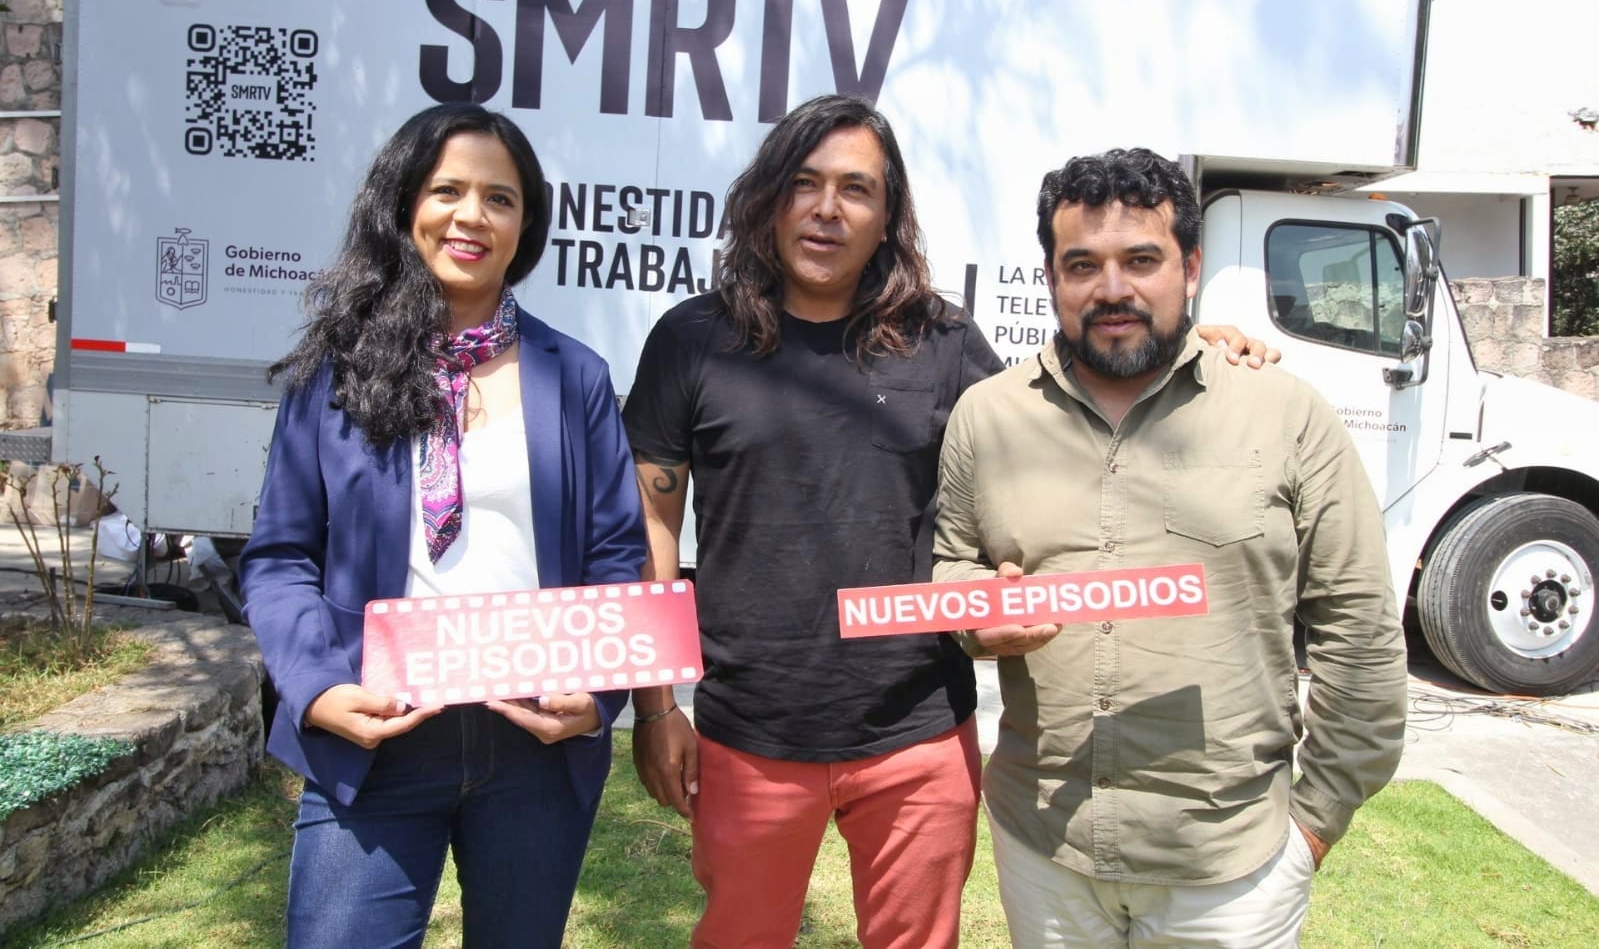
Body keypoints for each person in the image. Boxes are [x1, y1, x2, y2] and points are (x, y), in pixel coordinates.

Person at [623, 96, 1273, 949]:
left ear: (887, 213)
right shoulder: (692, 340)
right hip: (749, 731)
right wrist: (654, 707)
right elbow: (652, 523)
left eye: (856, 189)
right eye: (804, 183)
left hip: (917, 732)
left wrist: (1185, 340)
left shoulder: (940, 338)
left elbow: (1063, 403)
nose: (826, 209)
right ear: (768, 198)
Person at [932, 147, 1408, 948]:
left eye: (1140, 260)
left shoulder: (1285, 415)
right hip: (1043, 848)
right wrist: (974, 616)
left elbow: (1358, 630)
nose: (1111, 288)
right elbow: (951, 565)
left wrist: (1314, 824)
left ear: (1189, 268)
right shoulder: (986, 416)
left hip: (1232, 867)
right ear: (1050, 277)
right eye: (1081, 264)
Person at [240, 103, 645, 949]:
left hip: (533, 744)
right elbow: (279, 558)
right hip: (377, 736)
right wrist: (318, 687)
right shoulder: (335, 374)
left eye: (500, 198)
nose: (472, 216)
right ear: (403, 206)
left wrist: (599, 695)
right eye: (447, 191)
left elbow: (616, 554)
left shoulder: (574, 377)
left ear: (525, 225)